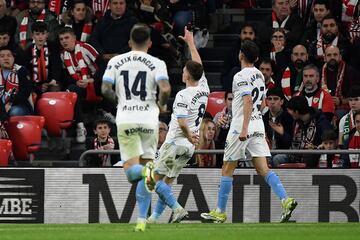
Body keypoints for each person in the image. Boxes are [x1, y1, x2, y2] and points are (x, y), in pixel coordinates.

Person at [200, 40, 297, 223]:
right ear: (257, 58)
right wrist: (253, 121)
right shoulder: (260, 75)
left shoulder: (240, 75)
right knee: (263, 168)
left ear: (241, 55)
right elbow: (261, 103)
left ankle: (220, 211)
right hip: (257, 124)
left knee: (227, 168)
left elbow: (247, 101)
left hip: (241, 127)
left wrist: (244, 128)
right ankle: (286, 199)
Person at [101, 23, 171, 232]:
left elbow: (105, 88)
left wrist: (118, 100)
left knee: (132, 172)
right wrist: (161, 103)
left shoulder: (115, 61)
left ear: (130, 42)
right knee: (147, 173)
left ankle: (141, 217)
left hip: (127, 119)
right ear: (149, 43)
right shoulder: (157, 62)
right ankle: (142, 219)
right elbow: (165, 88)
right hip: (150, 120)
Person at [143, 27, 209, 224]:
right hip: (188, 148)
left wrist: (188, 134)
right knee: (167, 182)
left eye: (184, 70)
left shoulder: (183, 94)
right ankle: (155, 218)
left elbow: (181, 122)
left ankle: (177, 209)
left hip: (176, 142)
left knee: (151, 179)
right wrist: (190, 43)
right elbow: (199, 64)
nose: (182, 72)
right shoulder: (204, 89)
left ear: (187, 75)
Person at [58, 27, 100, 143]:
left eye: (67, 38)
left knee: (72, 91)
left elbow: (103, 66)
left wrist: (91, 80)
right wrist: (76, 82)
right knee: (71, 91)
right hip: (79, 85)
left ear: (74, 38)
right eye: (61, 39)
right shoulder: (62, 55)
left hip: (95, 82)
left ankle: (105, 111)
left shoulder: (86, 47)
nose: (64, 41)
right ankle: (81, 126)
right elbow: (66, 76)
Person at [271, 95, 333, 167]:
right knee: (277, 158)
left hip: (313, 156)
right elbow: (290, 141)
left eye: (290, 110)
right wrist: (282, 133)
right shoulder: (295, 121)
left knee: (310, 157)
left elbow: (329, 135)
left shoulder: (319, 119)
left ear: (296, 112)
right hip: (294, 155)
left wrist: (322, 144)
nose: (288, 112)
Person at [25, 21, 61, 95]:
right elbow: (27, 70)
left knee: (54, 90)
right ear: (32, 36)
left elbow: (57, 65)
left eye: (43, 34)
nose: (40, 37)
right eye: (37, 34)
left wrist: (52, 81)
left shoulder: (53, 47)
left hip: (51, 82)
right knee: (30, 93)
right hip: (34, 85)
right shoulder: (28, 50)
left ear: (47, 34)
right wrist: (35, 85)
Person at [0, 46, 33, 116]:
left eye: (9, 55)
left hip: (18, 105)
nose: (6, 58)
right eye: (2, 56)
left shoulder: (21, 70)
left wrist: (10, 103)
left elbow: (26, 91)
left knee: (14, 112)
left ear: (13, 58)